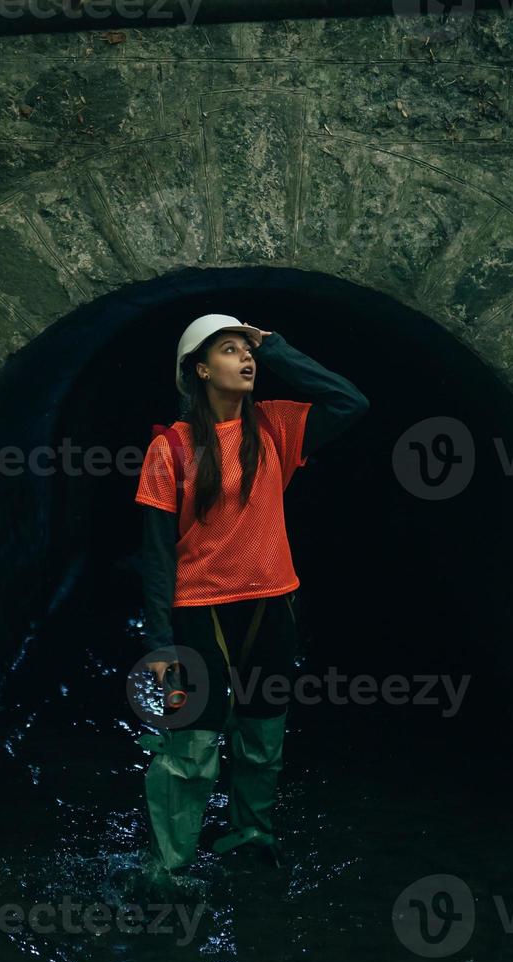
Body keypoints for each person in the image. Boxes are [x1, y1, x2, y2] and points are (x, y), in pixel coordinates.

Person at [132, 313, 369, 875]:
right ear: (200, 369)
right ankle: (170, 867)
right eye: (230, 351)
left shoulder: (275, 428)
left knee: (263, 734)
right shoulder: (172, 448)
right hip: (200, 610)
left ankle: (252, 833)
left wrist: (277, 348)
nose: (246, 359)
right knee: (192, 750)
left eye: (248, 351)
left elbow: (350, 402)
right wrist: (161, 644)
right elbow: (157, 557)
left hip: (271, 603)